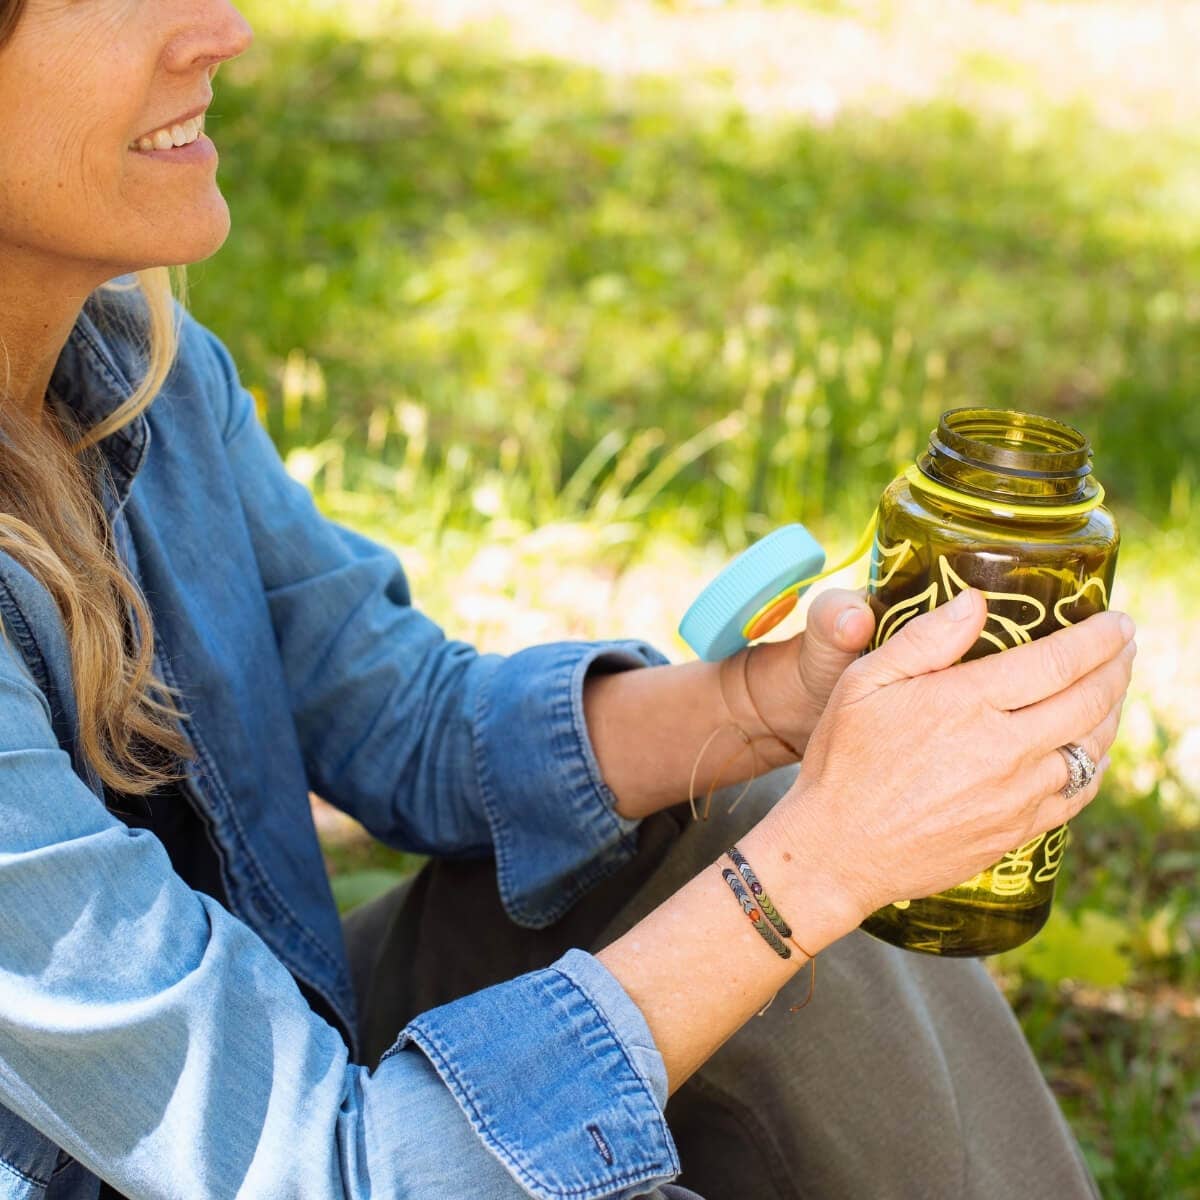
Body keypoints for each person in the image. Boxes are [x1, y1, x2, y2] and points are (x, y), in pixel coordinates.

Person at [0, 3, 1135, 1198]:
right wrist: (823, 864)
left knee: (739, 804)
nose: (221, 29)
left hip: (293, 1076)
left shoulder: (137, 367)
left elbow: (403, 721)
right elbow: (322, 1170)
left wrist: (770, 709)